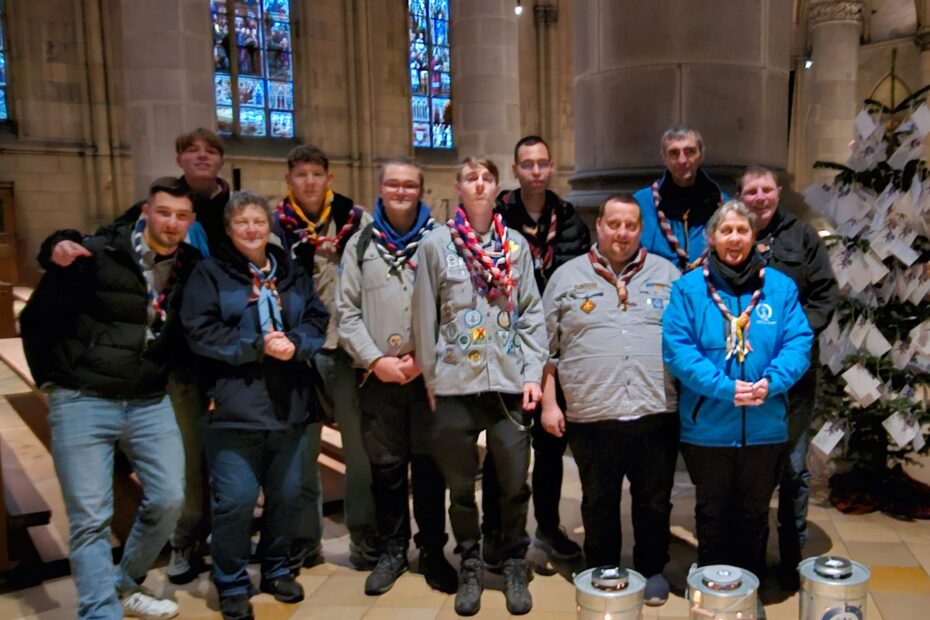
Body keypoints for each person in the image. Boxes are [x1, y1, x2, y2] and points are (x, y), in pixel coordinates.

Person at [38, 127, 232, 584]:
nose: (172, 222)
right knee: (169, 473)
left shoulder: (228, 217)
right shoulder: (133, 230)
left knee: (205, 465)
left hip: (208, 357)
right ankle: (184, 544)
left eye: (211, 150)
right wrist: (56, 243)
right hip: (149, 370)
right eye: (192, 150)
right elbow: (96, 244)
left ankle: (208, 544)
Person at [20, 177, 201, 620]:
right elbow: (36, 318)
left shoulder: (190, 265)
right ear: (145, 211)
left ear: (191, 222)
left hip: (147, 399)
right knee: (91, 516)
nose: (172, 223)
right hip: (84, 399)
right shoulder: (95, 254)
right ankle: (100, 610)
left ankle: (124, 582)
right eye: (164, 213)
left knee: (168, 499)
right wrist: (53, 382)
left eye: (181, 216)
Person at [181, 192, 328, 620]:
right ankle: (230, 581)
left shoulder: (291, 271)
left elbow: (317, 318)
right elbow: (199, 330)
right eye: (242, 222)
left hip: (290, 400)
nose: (251, 229)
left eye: (258, 221)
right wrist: (257, 346)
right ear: (228, 229)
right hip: (232, 403)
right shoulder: (209, 273)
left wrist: (296, 342)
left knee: (285, 495)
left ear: (269, 227)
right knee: (237, 499)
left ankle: (277, 568)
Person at [412, 157, 547, 616]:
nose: (479, 184)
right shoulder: (435, 246)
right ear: (458, 186)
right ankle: (469, 559)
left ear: (496, 188)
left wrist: (533, 376)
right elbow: (424, 316)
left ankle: (511, 559)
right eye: (471, 177)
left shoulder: (516, 248)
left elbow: (531, 313)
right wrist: (429, 378)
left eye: (487, 178)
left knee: (512, 480)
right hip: (453, 382)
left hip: (508, 382)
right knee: (460, 484)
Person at [662, 200, 813, 586]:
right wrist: (726, 389)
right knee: (711, 512)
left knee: (754, 513)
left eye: (742, 231)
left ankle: (749, 590)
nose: (734, 238)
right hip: (708, 427)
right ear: (711, 238)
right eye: (726, 231)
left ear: (755, 238)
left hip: (765, 425)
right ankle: (714, 590)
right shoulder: (689, 289)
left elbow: (798, 342)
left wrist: (772, 382)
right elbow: (678, 349)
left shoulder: (779, 288)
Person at [540, 193, 681, 606]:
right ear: (599, 226)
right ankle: (603, 565)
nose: (622, 233)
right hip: (592, 413)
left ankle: (652, 567)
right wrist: (550, 404)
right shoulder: (566, 277)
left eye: (631, 226)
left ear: (641, 229)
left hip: (655, 410)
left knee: (654, 500)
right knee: (599, 499)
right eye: (614, 224)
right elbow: (545, 350)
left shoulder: (667, 274)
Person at [336, 158, 457, 595]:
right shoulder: (360, 243)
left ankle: (431, 550)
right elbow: (346, 311)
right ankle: (392, 551)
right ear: (380, 188)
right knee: (386, 468)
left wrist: (426, 358)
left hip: (427, 375)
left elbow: (457, 306)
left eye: (409, 185)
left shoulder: (443, 240)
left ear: (421, 190)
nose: (401, 191)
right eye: (393, 184)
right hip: (378, 377)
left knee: (429, 467)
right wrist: (375, 360)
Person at [482, 135, 589, 564]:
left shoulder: (568, 218)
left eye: (543, 163)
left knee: (550, 447)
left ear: (551, 167)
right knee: (502, 447)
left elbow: (579, 275)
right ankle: (497, 533)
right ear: (516, 169)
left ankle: (547, 527)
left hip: (553, 345)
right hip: (506, 343)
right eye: (528, 164)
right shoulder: (496, 214)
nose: (537, 171)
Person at [271, 144, 378, 570]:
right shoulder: (276, 226)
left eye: (317, 174)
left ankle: (364, 537)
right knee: (301, 453)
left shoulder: (357, 219)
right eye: (301, 175)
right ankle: (303, 540)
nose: (310, 182)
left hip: (348, 352)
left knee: (358, 451)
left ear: (329, 178)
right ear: (289, 180)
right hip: (300, 354)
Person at [738, 165, 838, 589]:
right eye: (751, 191)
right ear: (740, 196)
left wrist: (792, 339)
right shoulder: (733, 233)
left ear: (777, 192)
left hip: (794, 374)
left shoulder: (803, 237)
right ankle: (752, 553)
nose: (759, 197)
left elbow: (823, 296)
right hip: (750, 374)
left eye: (765, 189)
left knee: (794, 469)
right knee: (756, 469)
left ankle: (793, 552)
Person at [634, 125, 728, 271]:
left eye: (690, 152)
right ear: (664, 158)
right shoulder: (641, 204)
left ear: (701, 155)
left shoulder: (723, 206)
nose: (682, 160)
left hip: (707, 288)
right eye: (674, 153)